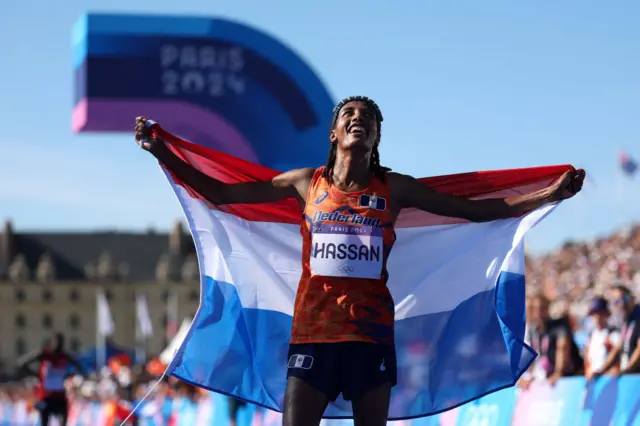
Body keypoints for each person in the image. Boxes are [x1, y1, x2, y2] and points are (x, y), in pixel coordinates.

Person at [135, 96, 584, 426]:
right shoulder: (304, 184)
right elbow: (221, 194)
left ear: (375, 137)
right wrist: (163, 152)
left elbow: (473, 209)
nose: (358, 121)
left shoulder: (396, 188)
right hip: (312, 337)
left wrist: (547, 195)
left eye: (367, 119)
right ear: (334, 134)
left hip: (370, 337)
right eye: (349, 115)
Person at [19, 332, 86, 426]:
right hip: (45, 397)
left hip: (60, 397)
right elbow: (22, 364)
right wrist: (36, 375)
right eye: (58, 342)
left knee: (63, 422)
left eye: (62, 343)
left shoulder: (64, 356)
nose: (59, 346)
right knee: (45, 423)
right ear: (52, 343)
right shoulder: (44, 354)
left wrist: (68, 375)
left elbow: (80, 367)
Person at [520, 293, 584, 388]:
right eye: (536, 309)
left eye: (542, 308)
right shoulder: (533, 330)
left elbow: (562, 348)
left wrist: (558, 372)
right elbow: (532, 356)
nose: (539, 312)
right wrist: (528, 376)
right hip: (549, 375)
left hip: (571, 376)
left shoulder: (559, 325)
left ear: (548, 308)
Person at [591, 285, 640, 378]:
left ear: (632, 298)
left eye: (624, 298)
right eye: (617, 301)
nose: (622, 303)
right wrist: (601, 371)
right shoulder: (626, 320)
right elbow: (618, 348)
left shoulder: (638, 317)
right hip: (632, 377)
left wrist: (627, 370)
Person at [584, 296, 620, 378]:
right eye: (594, 314)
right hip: (594, 379)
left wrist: (601, 371)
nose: (597, 317)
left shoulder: (613, 334)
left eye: (600, 314)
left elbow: (615, 353)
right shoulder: (591, 336)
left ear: (606, 314)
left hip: (609, 379)